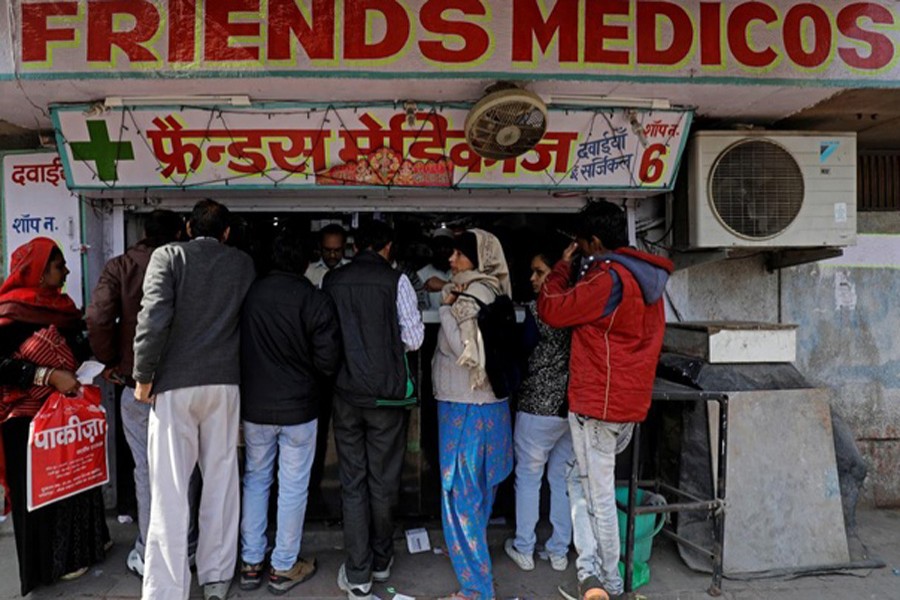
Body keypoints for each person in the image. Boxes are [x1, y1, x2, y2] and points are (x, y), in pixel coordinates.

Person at [537, 201, 673, 600]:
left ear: (594, 241)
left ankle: (608, 582)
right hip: (627, 401)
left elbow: (553, 309)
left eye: (581, 244)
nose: (579, 251)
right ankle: (590, 572)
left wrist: (562, 268)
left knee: (596, 495)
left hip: (599, 403)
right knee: (578, 482)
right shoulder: (648, 280)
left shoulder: (607, 279)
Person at [133, 199, 256, 600]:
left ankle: (167, 590)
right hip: (224, 383)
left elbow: (152, 318)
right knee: (222, 480)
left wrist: (143, 376)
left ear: (187, 227)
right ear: (226, 232)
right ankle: (216, 577)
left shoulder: (168, 256)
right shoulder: (241, 264)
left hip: (175, 385)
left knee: (169, 488)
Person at [86, 209, 200, 579]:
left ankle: (151, 550)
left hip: (137, 385)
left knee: (147, 470)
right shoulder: (189, 265)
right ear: (180, 232)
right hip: (185, 382)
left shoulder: (120, 266)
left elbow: (99, 316)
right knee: (188, 467)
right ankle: (189, 545)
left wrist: (111, 362)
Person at [0, 237, 111, 596]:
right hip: (28, 419)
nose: (64, 271)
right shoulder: (11, 311)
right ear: (38, 271)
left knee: (75, 480)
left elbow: (79, 345)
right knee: (41, 490)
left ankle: (80, 553)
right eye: (58, 265)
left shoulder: (63, 307)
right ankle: (48, 565)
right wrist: (45, 376)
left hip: (68, 415)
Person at [323, 220, 424, 600]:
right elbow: (414, 340)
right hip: (386, 397)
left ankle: (359, 572)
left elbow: (326, 337)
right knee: (382, 482)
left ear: (354, 246)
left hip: (346, 394)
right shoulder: (395, 281)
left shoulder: (333, 282)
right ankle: (381, 562)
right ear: (387, 247)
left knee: (353, 483)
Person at [238, 231, 342, 595]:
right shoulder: (314, 299)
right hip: (299, 408)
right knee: (293, 486)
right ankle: (283, 566)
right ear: (304, 261)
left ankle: (251, 563)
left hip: (255, 406)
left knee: (255, 479)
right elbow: (328, 360)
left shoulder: (250, 295)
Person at [432, 229, 514, 600]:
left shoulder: (469, 297)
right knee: (479, 491)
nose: (451, 260)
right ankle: (471, 553)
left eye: (459, 254)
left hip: (465, 408)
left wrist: (444, 307)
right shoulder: (495, 290)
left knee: (459, 495)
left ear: (477, 259)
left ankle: (476, 588)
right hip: (490, 407)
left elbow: (461, 346)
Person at [504, 244, 574, 573]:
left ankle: (524, 548)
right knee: (561, 481)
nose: (532, 278)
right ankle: (559, 552)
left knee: (529, 479)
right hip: (570, 409)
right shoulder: (579, 310)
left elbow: (523, 349)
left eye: (539, 272)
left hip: (536, 408)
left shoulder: (538, 311)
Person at [417, 230, 454, 310]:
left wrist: (444, 285)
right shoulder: (422, 274)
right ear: (433, 249)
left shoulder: (461, 271)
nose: (442, 251)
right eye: (439, 247)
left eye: (446, 247)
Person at [305, 223, 349, 288]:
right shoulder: (308, 272)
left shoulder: (352, 270)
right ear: (320, 246)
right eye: (327, 250)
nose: (332, 255)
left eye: (337, 250)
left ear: (344, 247)